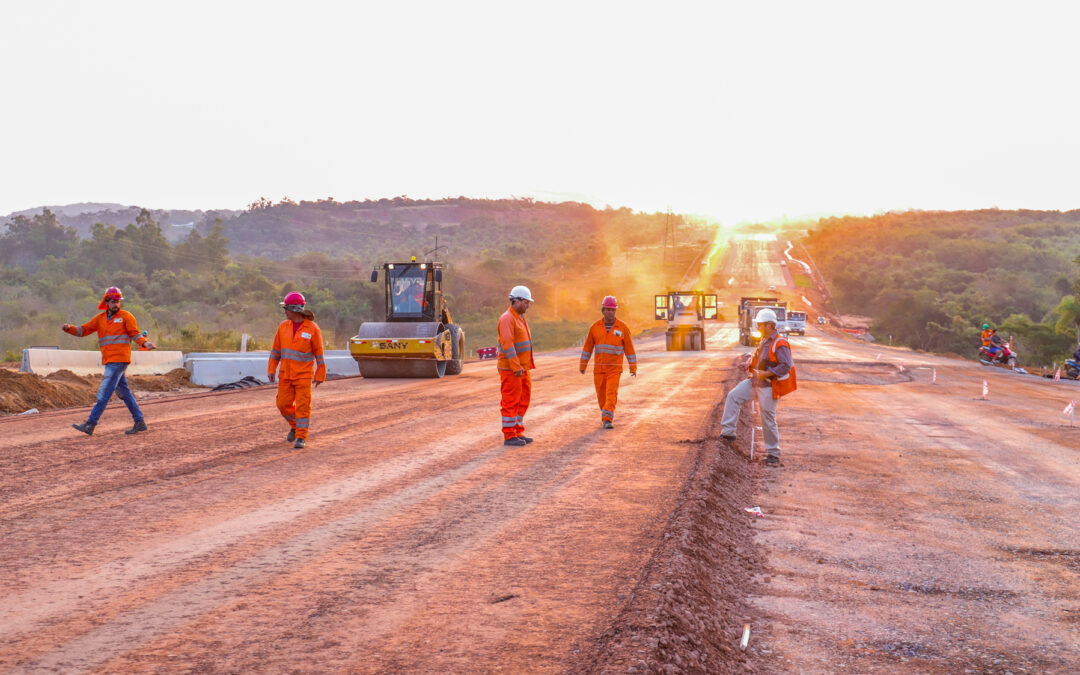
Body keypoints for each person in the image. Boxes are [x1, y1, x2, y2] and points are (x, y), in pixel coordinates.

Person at [62, 286, 156, 435]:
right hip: (110, 360)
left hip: (119, 360)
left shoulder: (126, 316)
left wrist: (145, 343)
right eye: (113, 301)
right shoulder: (99, 319)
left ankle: (90, 424)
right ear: (106, 302)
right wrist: (69, 328)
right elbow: (83, 330)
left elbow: (135, 334)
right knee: (125, 393)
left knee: (104, 394)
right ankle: (140, 422)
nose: (116, 304)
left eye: (118, 301)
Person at [719, 308, 796, 466]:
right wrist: (748, 365)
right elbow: (760, 360)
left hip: (768, 386)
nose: (758, 327)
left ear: (769, 325)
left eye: (760, 325)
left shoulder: (780, 343)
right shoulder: (764, 340)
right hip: (755, 382)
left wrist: (767, 374)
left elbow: (786, 365)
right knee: (733, 396)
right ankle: (728, 433)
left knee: (767, 418)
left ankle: (773, 454)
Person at [268, 292, 326, 449]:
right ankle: (295, 426)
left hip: (303, 376)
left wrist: (320, 373)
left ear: (294, 309)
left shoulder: (312, 329)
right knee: (282, 404)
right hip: (285, 374)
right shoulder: (283, 327)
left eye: (286, 308)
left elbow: (319, 353)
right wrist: (272, 368)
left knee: (302, 406)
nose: (285, 312)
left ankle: (301, 436)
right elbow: (276, 351)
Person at [579, 295, 637, 429]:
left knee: (611, 394)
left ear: (615, 311)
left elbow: (629, 349)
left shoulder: (622, 328)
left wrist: (633, 367)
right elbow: (587, 348)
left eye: (613, 310)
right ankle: (605, 413)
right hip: (599, 370)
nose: (610, 312)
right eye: (608, 309)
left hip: (614, 370)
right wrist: (583, 365)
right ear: (603, 310)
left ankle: (607, 419)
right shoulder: (595, 327)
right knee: (601, 397)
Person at [498, 285, 535, 446]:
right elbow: (508, 345)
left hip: (522, 368)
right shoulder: (507, 318)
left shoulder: (519, 317)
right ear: (517, 301)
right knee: (511, 401)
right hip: (511, 369)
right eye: (526, 302)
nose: (528, 306)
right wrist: (515, 367)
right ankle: (509, 435)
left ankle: (517, 431)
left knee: (523, 399)